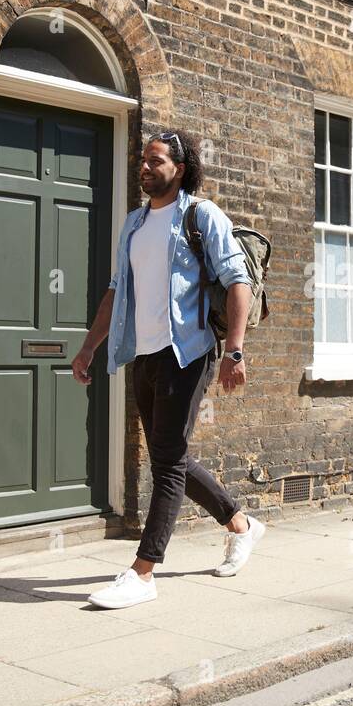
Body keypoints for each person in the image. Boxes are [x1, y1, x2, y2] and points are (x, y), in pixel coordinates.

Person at [71, 128, 265, 608]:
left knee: (167, 463)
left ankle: (142, 572)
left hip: (190, 353)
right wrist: (89, 347)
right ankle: (240, 524)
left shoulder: (203, 216)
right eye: (143, 159)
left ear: (179, 168)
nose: (145, 167)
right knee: (168, 457)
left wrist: (235, 351)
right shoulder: (134, 224)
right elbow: (117, 290)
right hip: (145, 352)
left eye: (155, 161)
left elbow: (237, 280)